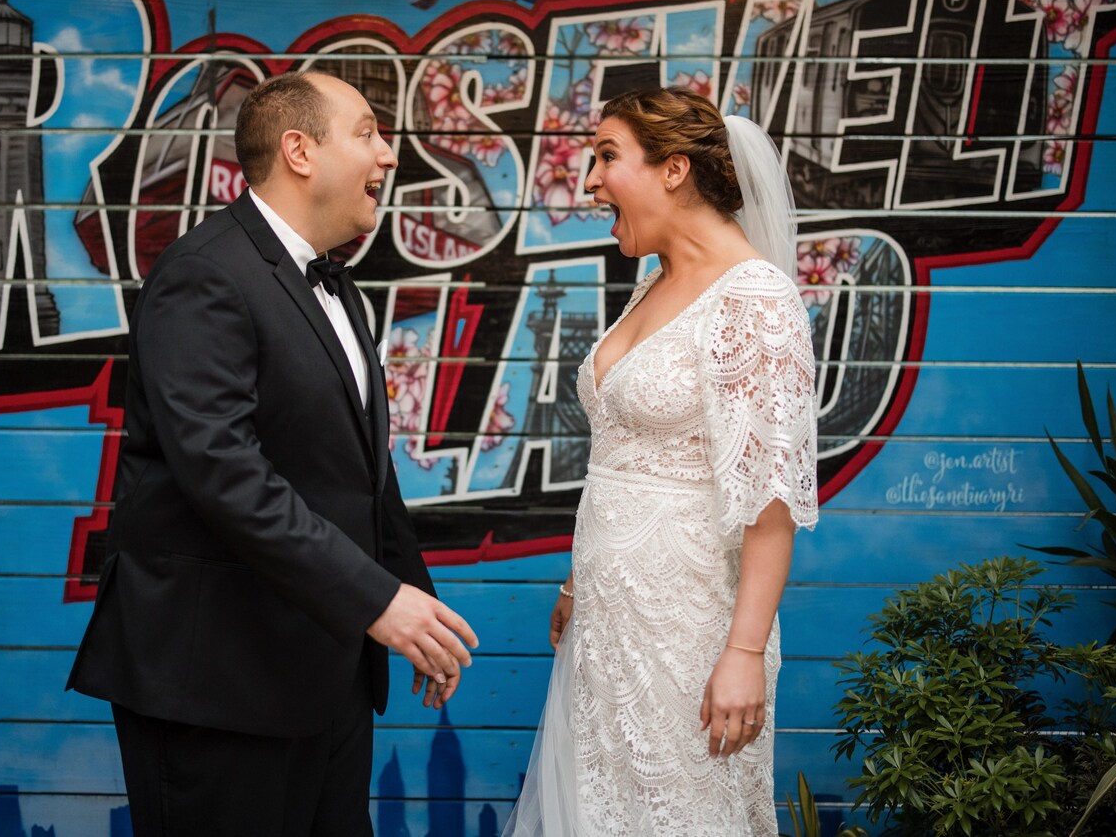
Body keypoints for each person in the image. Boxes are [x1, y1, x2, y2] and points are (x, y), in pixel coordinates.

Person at [67, 70, 479, 836]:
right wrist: (376, 601)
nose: (388, 155)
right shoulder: (204, 274)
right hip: (219, 681)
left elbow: (360, 469)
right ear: (299, 150)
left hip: (328, 673)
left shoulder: (338, 284)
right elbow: (224, 471)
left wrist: (413, 602)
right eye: (367, 133)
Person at [503, 87, 818, 836]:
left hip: (693, 630)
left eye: (608, 156)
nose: (589, 179)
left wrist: (742, 652)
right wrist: (580, 579)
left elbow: (770, 502)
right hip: (608, 626)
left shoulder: (756, 301)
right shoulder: (654, 282)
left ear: (674, 169)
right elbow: (624, 449)